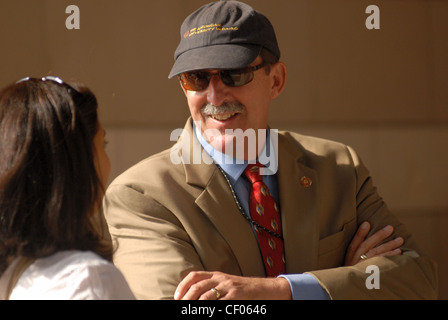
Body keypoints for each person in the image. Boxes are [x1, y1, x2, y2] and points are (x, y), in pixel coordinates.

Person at [103, 1, 437, 300]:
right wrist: (339, 284)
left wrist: (280, 290)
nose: (215, 96)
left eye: (234, 74)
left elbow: (418, 281)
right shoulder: (142, 197)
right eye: (197, 78)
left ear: (276, 80)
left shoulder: (338, 167)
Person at [0, 76, 135, 300]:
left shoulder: (11, 273)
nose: (107, 160)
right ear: (76, 163)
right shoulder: (88, 281)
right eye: (102, 144)